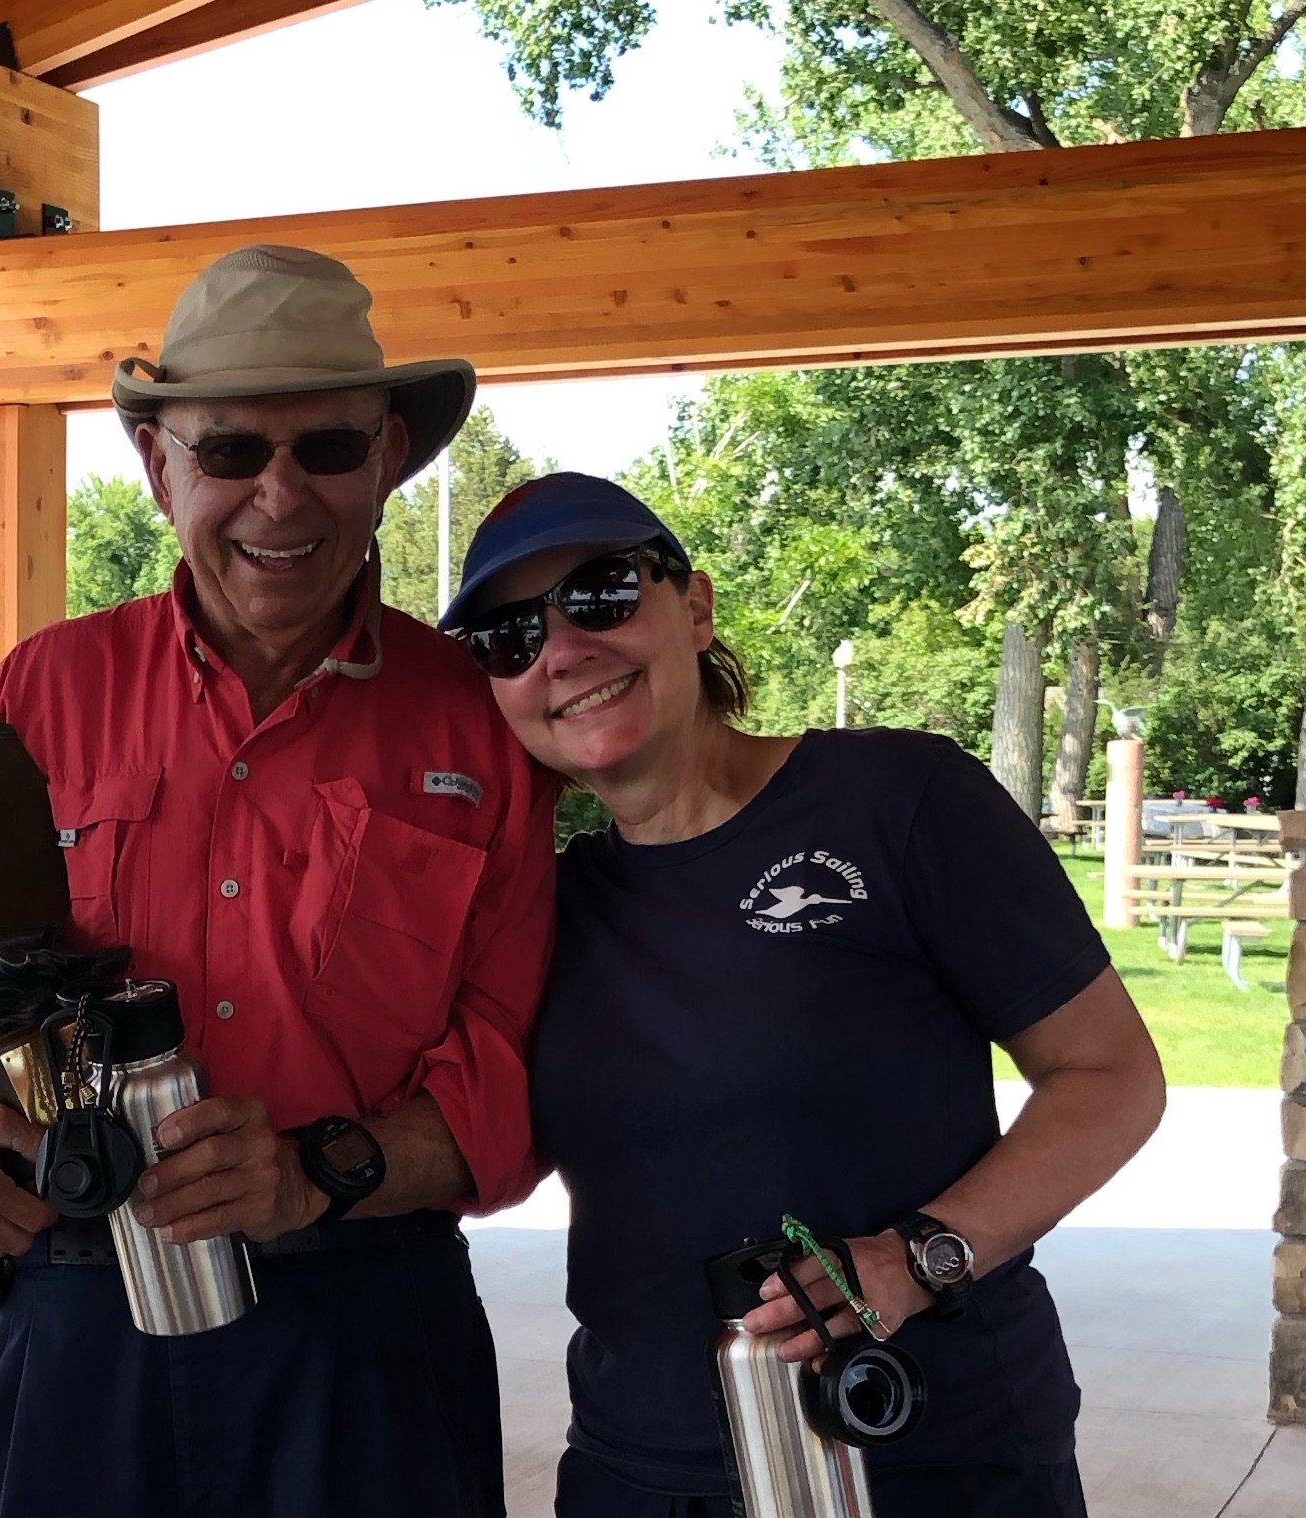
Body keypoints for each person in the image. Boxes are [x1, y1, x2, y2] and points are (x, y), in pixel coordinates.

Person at [0, 244, 558, 1517]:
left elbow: (518, 1065)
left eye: (326, 448)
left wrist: (326, 1167)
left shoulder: (479, 726)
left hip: (363, 1331)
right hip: (74, 1316)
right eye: (230, 453)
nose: (281, 497)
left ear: (384, 461)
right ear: (160, 467)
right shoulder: (47, 694)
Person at [439, 472, 1168, 1518]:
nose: (561, 648)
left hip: (924, 1452)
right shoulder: (544, 907)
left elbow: (1111, 1077)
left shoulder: (900, 801)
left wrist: (917, 1257)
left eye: (599, 593)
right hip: (641, 1469)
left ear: (694, 607)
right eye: (510, 637)